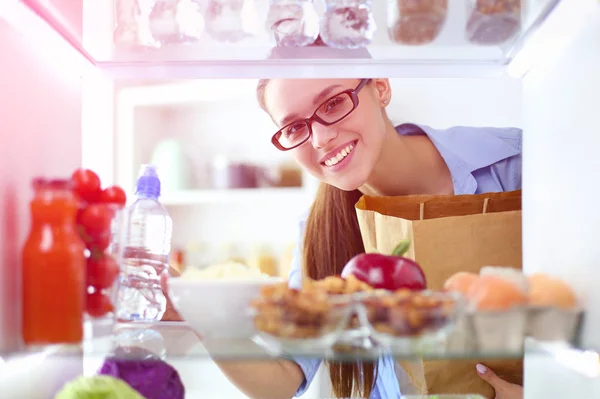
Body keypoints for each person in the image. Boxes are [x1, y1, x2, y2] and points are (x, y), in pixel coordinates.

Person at [163, 77, 524, 399]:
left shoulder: (516, 164)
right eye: (294, 127)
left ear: (380, 87)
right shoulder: (320, 230)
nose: (321, 138)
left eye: (333, 103)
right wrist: (195, 313)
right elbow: (284, 378)